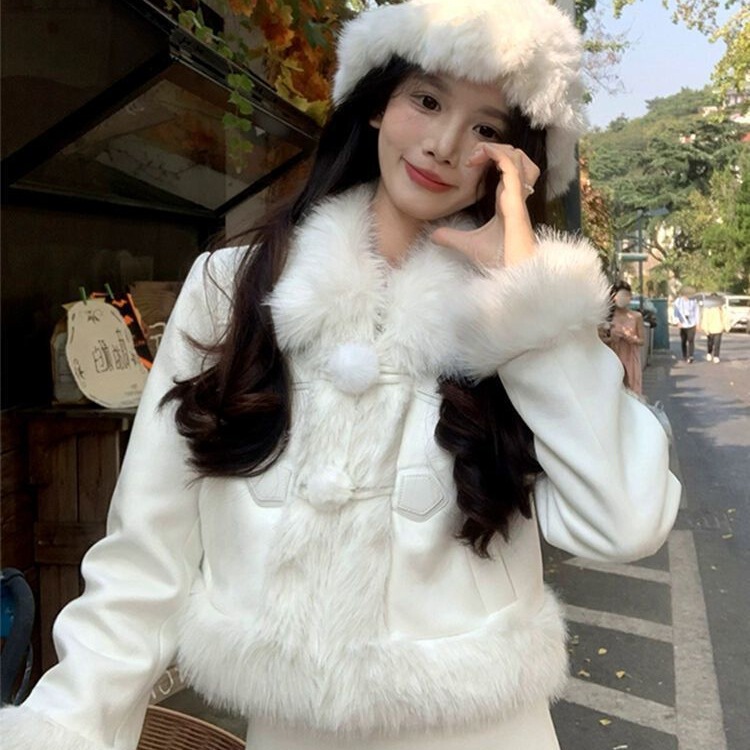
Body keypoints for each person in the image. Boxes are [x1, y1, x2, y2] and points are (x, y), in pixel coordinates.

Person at [1, 1, 681, 748]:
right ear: (377, 104)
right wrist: (64, 726)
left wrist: (526, 308)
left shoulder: (519, 318)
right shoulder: (232, 287)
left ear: (513, 161)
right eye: (427, 100)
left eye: (487, 128)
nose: (444, 145)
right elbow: (145, 560)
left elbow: (626, 521)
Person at [606, 281, 645, 394]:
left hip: (631, 359)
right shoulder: (608, 318)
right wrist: (611, 339)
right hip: (613, 358)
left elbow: (642, 340)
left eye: (627, 295)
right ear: (613, 297)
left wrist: (632, 338)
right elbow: (599, 340)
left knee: (632, 391)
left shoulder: (636, 316)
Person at [700, 293, 729, 363]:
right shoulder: (707, 308)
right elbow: (705, 319)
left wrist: (726, 327)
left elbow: (725, 317)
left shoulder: (721, 308)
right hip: (710, 329)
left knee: (717, 343)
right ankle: (709, 352)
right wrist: (705, 329)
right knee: (710, 343)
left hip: (718, 328)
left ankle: (716, 356)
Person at [673, 287, 700, 362]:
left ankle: (691, 355)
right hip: (683, 323)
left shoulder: (694, 301)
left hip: (692, 323)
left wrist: (698, 323)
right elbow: (676, 312)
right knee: (683, 340)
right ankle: (684, 355)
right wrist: (678, 322)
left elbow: (697, 312)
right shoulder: (678, 301)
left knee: (691, 339)